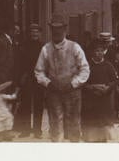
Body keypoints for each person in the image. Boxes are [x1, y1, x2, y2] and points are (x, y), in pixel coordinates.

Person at [34, 14, 90, 142]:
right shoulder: (46, 49)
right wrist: (48, 83)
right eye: (54, 28)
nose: (57, 31)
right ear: (51, 30)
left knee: (73, 124)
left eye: (59, 28)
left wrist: (73, 83)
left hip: (72, 92)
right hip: (54, 93)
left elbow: (85, 69)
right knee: (55, 125)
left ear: (65, 29)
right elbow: (39, 71)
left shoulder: (75, 47)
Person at [81, 41, 118, 142]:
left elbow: (114, 80)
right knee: (91, 131)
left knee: (103, 131)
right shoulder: (87, 66)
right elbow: (82, 82)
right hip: (90, 102)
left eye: (101, 51)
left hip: (104, 101)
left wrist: (108, 88)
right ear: (93, 52)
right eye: (97, 51)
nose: (99, 53)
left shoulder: (108, 65)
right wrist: (93, 87)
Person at [14, 23, 45, 138]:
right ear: (29, 33)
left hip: (39, 79)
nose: (34, 34)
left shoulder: (43, 47)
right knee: (25, 105)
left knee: (38, 104)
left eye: (37, 32)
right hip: (27, 78)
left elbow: (45, 64)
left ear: (40, 34)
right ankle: (25, 130)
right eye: (32, 32)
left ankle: (38, 131)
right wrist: (21, 77)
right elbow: (20, 63)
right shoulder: (23, 46)